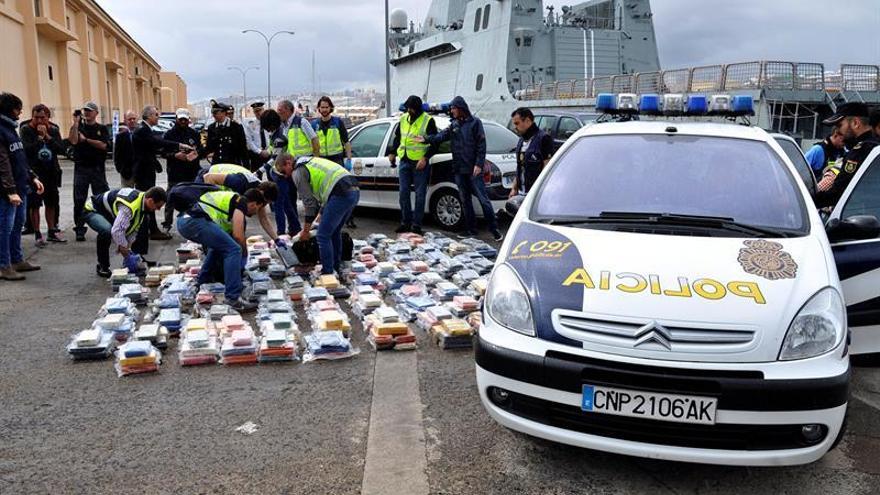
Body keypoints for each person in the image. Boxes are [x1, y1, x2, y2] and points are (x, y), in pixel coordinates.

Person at [419, 96, 503, 241]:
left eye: (453, 108)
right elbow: (441, 136)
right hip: (459, 169)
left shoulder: (475, 123)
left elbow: (481, 145)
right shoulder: (454, 125)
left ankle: (494, 230)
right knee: (465, 201)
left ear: (461, 108)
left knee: (484, 200)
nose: (451, 111)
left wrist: (478, 164)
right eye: (451, 108)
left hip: (473, 170)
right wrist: (426, 139)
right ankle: (471, 230)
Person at [175, 187, 268, 311]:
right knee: (234, 249)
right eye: (256, 209)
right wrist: (244, 256)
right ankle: (233, 298)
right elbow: (238, 236)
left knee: (219, 247)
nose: (254, 213)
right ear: (253, 203)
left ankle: (203, 281)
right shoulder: (241, 202)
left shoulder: (231, 199)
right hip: (194, 222)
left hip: (184, 222)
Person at [274, 153, 359, 276]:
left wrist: (305, 231)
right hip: (353, 189)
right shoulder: (308, 160)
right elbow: (325, 190)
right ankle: (336, 267)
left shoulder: (297, 172)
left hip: (341, 193)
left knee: (322, 236)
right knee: (334, 232)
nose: (285, 176)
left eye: (283, 171)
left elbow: (309, 204)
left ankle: (328, 273)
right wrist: (320, 215)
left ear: (288, 163)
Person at [132, 105, 193, 248]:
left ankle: (151, 229)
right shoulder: (143, 130)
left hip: (146, 170)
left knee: (148, 200)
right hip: (143, 172)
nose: (158, 118)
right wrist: (179, 145)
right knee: (148, 201)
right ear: (149, 116)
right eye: (156, 115)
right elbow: (157, 143)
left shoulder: (145, 130)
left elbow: (152, 147)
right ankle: (151, 230)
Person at [0, 92, 44, 280]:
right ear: (11, 109)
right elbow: (2, 163)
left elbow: (19, 159)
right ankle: (4, 265)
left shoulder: (12, 129)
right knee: (5, 228)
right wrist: (10, 191)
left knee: (17, 225)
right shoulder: (1, 130)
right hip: (7, 192)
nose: (20, 113)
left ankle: (17, 260)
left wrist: (32, 177)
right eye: (19, 109)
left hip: (20, 187)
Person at [83, 186, 166, 278]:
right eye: (158, 206)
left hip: (107, 213)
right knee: (106, 230)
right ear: (150, 201)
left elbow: (133, 230)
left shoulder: (142, 203)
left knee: (122, 236)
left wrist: (128, 248)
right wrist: (125, 252)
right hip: (92, 210)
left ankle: (131, 259)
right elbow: (117, 231)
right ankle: (103, 266)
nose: (158, 210)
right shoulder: (129, 207)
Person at [387, 95, 437, 235]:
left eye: (411, 108)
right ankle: (405, 222)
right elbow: (398, 137)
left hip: (419, 163)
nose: (409, 110)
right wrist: (392, 152)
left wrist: (425, 158)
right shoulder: (403, 119)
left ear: (417, 108)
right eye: (408, 108)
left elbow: (435, 143)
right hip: (404, 160)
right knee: (403, 193)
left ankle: (416, 225)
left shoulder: (428, 120)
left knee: (420, 195)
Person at [815, 102, 880, 208]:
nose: (838, 131)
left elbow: (838, 192)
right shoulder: (873, 146)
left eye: (840, 125)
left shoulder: (861, 151)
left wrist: (806, 202)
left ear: (855, 123)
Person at [198, 162, 282, 242]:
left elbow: (264, 219)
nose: (263, 205)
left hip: (221, 185)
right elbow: (208, 177)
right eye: (265, 202)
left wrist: (276, 239)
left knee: (237, 221)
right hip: (206, 177)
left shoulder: (259, 194)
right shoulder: (240, 182)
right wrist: (213, 198)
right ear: (261, 193)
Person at [20, 104, 66, 245]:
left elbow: (61, 149)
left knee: (51, 202)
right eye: (36, 118)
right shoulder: (26, 129)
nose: (39, 121)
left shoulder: (53, 129)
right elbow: (26, 150)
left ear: (48, 118)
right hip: (35, 173)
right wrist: (39, 138)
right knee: (34, 204)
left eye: (42, 118)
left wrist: (47, 136)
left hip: (51, 171)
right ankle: (38, 233)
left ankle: (52, 231)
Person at [68, 102, 110, 242]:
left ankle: (104, 226)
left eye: (90, 111)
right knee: (79, 199)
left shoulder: (102, 129)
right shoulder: (79, 127)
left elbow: (103, 145)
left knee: (101, 198)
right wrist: (75, 123)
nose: (87, 113)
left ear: (96, 113)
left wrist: (86, 140)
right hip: (81, 168)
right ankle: (80, 228)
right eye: (85, 110)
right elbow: (73, 141)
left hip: (97, 168)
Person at [260, 109, 301, 235]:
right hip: (278, 173)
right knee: (287, 204)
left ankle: (281, 233)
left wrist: (259, 171)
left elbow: (274, 158)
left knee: (279, 206)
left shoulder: (279, 137)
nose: (266, 130)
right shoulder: (277, 133)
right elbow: (271, 152)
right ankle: (295, 228)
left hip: (281, 174)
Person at [161, 108, 203, 232]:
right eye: (181, 119)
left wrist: (196, 154)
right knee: (170, 198)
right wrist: (175, 155)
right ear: (176, 119)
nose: (183, 121)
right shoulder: (169, 134)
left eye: (185, 119)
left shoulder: (194, 133)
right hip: (175, 172)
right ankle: (167, 224)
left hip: (192, 171)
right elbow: (163, 153)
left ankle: (196, 221)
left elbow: (201, 149)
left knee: (195, 199)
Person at [509, 107, 554, 197]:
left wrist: (538, 192)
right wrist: (514, 188)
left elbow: (547, 169)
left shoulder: (544, 139)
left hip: (536, 194)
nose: (515, 128)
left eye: (517, 123)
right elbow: (520, 167)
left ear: (527, 121)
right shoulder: (521, 140)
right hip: (521, 192)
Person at [204, 101, 248, 166]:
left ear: (224, 113)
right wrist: (198, 153)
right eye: (213, 113)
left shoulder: (236, 127)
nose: (214, 115)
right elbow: (209, 147)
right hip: (217, 164)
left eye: (216, 112)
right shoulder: (212, 128)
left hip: (232, 164)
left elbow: (243, 149)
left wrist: (246, 166)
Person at [113, 110, 138, 188]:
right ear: (125, 121)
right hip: (126, 173)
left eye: (134, 118)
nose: (132, 121)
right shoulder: (120, 137)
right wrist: (120, 169)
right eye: (129, 119)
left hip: (141, 172)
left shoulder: (142, 133)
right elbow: (117, 155)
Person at [245, 102, 271, 171]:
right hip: (256, 154)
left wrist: (268, 151)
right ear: (254, 112)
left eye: (260, 110)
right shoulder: (250, 125)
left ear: (263, 110)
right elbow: (249, 141)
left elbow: (273, 139)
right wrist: (259, 151)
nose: (258, 113)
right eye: (256, 111)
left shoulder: (270, 123)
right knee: (256, 176)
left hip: (269, 153)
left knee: (272, 175)